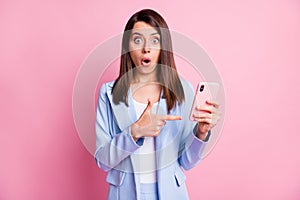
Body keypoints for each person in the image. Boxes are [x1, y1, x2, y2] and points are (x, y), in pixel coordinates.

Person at [94, 9, 221, 200]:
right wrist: (135, 131)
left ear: (164, 47)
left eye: (154, 40)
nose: (146, 48)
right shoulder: (109, 93)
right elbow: (103, 160)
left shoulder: (181, 90)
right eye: (137, 40)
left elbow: (186, 161)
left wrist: (201, 132)